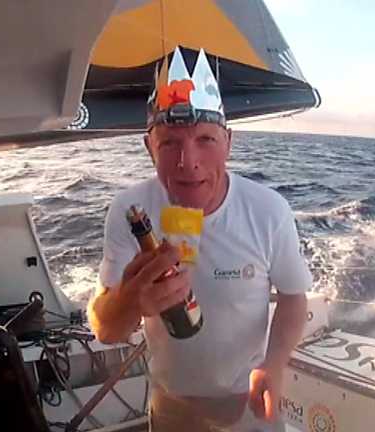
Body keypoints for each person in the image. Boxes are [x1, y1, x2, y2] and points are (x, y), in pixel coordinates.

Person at [87, 47, 311, 431]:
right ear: (149, 147)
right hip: (170, 401)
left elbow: (293, 297)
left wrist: (273, 365)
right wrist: (130, 300)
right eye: (169, 143)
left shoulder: (268, 210)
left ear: (228, 142)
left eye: (205, 139)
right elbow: (105, 329)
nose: (187, 162)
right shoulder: (131, 211)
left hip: (248, 399)